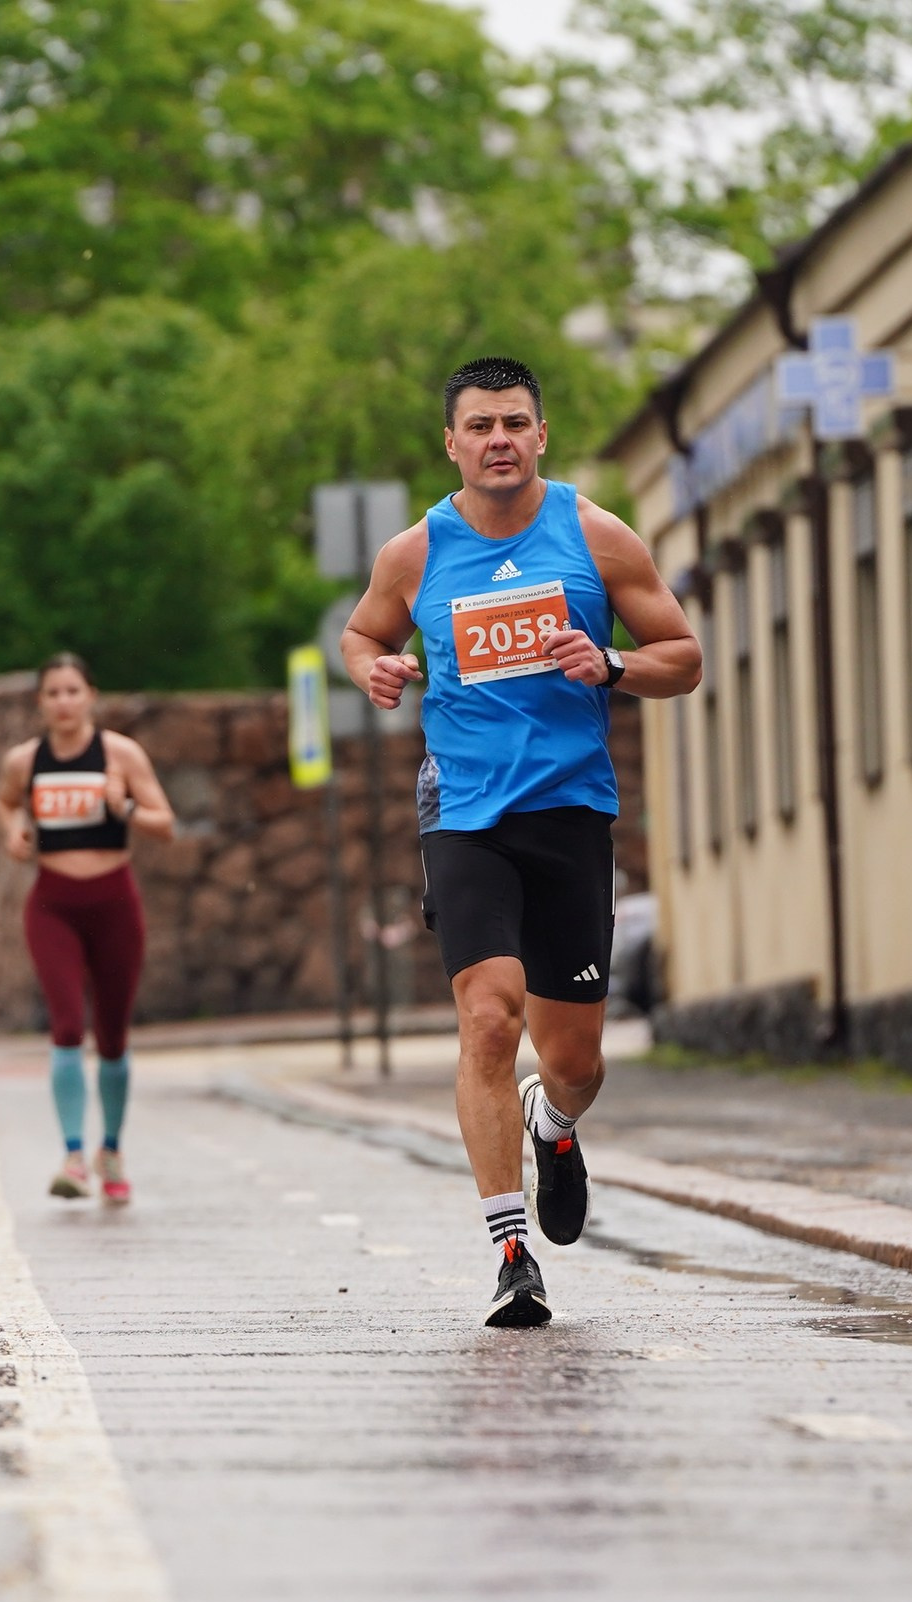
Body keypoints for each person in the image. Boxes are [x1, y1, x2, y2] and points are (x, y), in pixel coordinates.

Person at [339, 357, 701, 1326]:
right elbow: (361, 634)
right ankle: (511, 1253)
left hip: (569, 812)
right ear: (451, 444)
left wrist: (611, 662)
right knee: (489, 1020)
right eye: (479, 426)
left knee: (573, 1057)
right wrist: (375, 669)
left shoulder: (596, 535)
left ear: (540, 435)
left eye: (513, 423)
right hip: (463, 815)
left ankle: (555, 1119)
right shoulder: (415, 553)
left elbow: (683, 658)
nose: (497, 440)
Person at [0, 653, 175, 1202]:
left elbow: (165, 823)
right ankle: (73, 1156)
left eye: (73, 691)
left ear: (91, 695)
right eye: (53, 693)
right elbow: (5, 803)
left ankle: (110, 1152)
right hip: (53, 905)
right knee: (68, 1025)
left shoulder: (120, 754)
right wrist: (14, 830)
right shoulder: (24, 760)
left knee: (113, 1036)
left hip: (114, 904)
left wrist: (123, 808)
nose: (63, 702)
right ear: (40, 702)